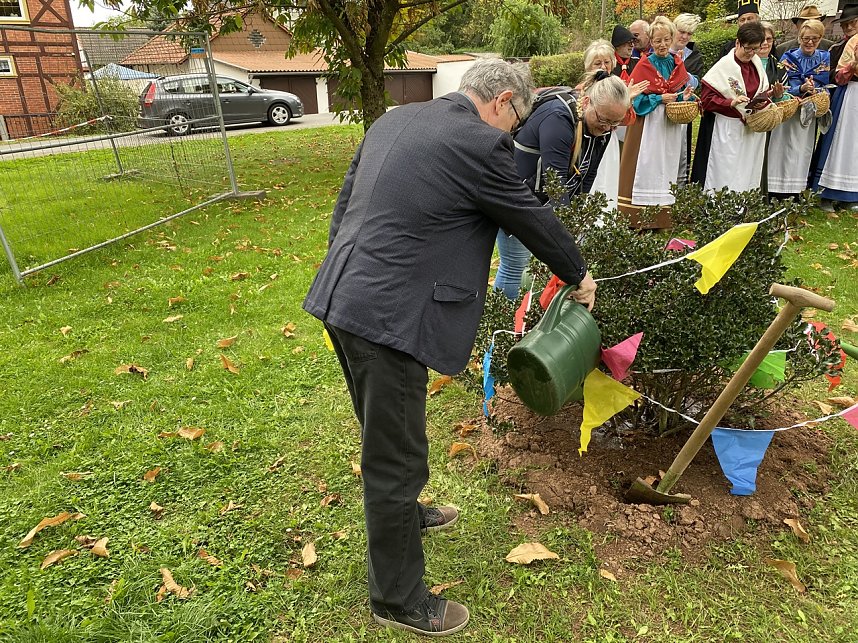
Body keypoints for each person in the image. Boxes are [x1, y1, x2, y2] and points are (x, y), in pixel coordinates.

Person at [303, 58, 596, 637]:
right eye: (516, 120)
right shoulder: (480, 144)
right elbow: (530, 217)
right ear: (503, 100)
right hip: (388, 317)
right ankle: (398, 597)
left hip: (344, 297)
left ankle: (405, 517)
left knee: (385, 430)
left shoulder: (394, 118)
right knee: (397, 457)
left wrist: (351, 275)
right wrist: (578, 273)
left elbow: (343, 208)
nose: (513, 132)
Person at [493, 70, 630, 299]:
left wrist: (577, 220)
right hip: (517, 197)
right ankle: (504, 325)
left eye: (615, 124)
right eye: (604, 120)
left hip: (541, 202)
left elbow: (587, 175)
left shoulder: (604, 126)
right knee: (514, 266)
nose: (607, 128)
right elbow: (555, 184)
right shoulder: (558, 117)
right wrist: (566, 241)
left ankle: (528, 317)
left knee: (538, 265)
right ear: (586, 102)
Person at [618, 15, 694, 226]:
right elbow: (635, 98)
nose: (662, 45)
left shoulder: (676, 63)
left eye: (666, 39)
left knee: (666, 166)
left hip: (669, 125)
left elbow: (676, 91)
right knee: (647, 165)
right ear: (651, 41)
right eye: (657, 40)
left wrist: (682, 97)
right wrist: (659, 98)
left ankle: (663, 218)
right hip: (648, 125)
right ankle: (638, 217)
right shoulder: (644, 66)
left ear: (672, 39)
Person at [691, 21, 775, 192]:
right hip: (726, 129)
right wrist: (730, 102)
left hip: (751, 129)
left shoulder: (757, 64)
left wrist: (768, 98)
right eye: (747, 48)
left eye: (755, 49)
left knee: (747, 169)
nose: (751, 53)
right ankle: (718, 209)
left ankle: (743, 206)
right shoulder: (723, 67)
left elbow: (760, 91)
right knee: (725, 171)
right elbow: (706, 100)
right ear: (737, 43)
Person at [767, 19, 830, 198]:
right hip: (789, 109)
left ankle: (795, 190)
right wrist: (800, 89)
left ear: (820, 38)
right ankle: (775, 188)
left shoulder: (824, 57)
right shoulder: (788, 57)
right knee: (782, 147)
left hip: (809, 110)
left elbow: (825, 83)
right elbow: (781, 85)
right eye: (806, 38)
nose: (810, 42)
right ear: (799, 37)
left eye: (815, 39)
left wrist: (816, 90)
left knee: (802, 149)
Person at [809, 4, 858, 210]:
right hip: (848, 95)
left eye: (852, 22)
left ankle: (852, 194)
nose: (848, 27)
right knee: (840, 142)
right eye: (845, 23)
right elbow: (835, 75)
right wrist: (851, 68)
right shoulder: (839, 47)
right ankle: (827, 192)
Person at [672, 13, 704, 187]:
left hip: (682, 111)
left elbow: (693, 83)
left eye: (689, 33)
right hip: (660, 107)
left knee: (681, 154)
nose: (684, 36)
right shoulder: (659, 49)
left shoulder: (694, 56)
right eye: (681, 31)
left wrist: (680, 66)